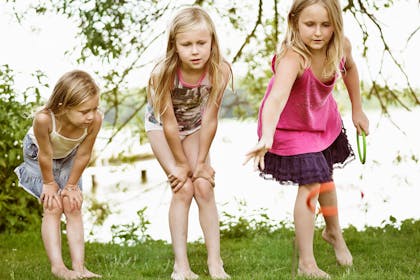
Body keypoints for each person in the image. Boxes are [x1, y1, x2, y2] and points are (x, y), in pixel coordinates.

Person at [244, 0, 369, 278]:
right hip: (288, 128)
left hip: (321, 121)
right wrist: (266, 135)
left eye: (325, 25)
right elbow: (276, 99)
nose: (317, 32)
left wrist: (357, 109)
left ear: (335, 24)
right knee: (312, 182)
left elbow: (351, 70)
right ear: (295, 22)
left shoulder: (341, 46)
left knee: (326, 177)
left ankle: (333, 231)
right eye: (309, 24)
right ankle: (307, 263)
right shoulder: (293, 57)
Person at [144, 6, 232, 280]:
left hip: (195, 128)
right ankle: (181, 267)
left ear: (212, 42)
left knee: (204, 186)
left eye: (201, 43)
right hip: (161, 128)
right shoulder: (163, 73)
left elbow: (210, 119)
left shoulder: (220, 70)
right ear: (175, 45)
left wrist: (203, 161)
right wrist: (181, 165)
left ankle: (215, 264)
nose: (195, 51)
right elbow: (168, 123)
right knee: (182, 188)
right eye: (187, 44)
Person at [14, 70, 102, 280]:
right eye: (84, 111)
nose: (90, 115)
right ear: (64, 106)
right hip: (38, 156)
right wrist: (49, 183)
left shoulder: (94, 121)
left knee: (72, 204)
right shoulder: (44, 119)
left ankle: (79, 268)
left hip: (69, 155)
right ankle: (58, 267)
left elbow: (84, 154)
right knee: (53, 205)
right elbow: (45, 155)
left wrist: (71, 186)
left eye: (94, 108)